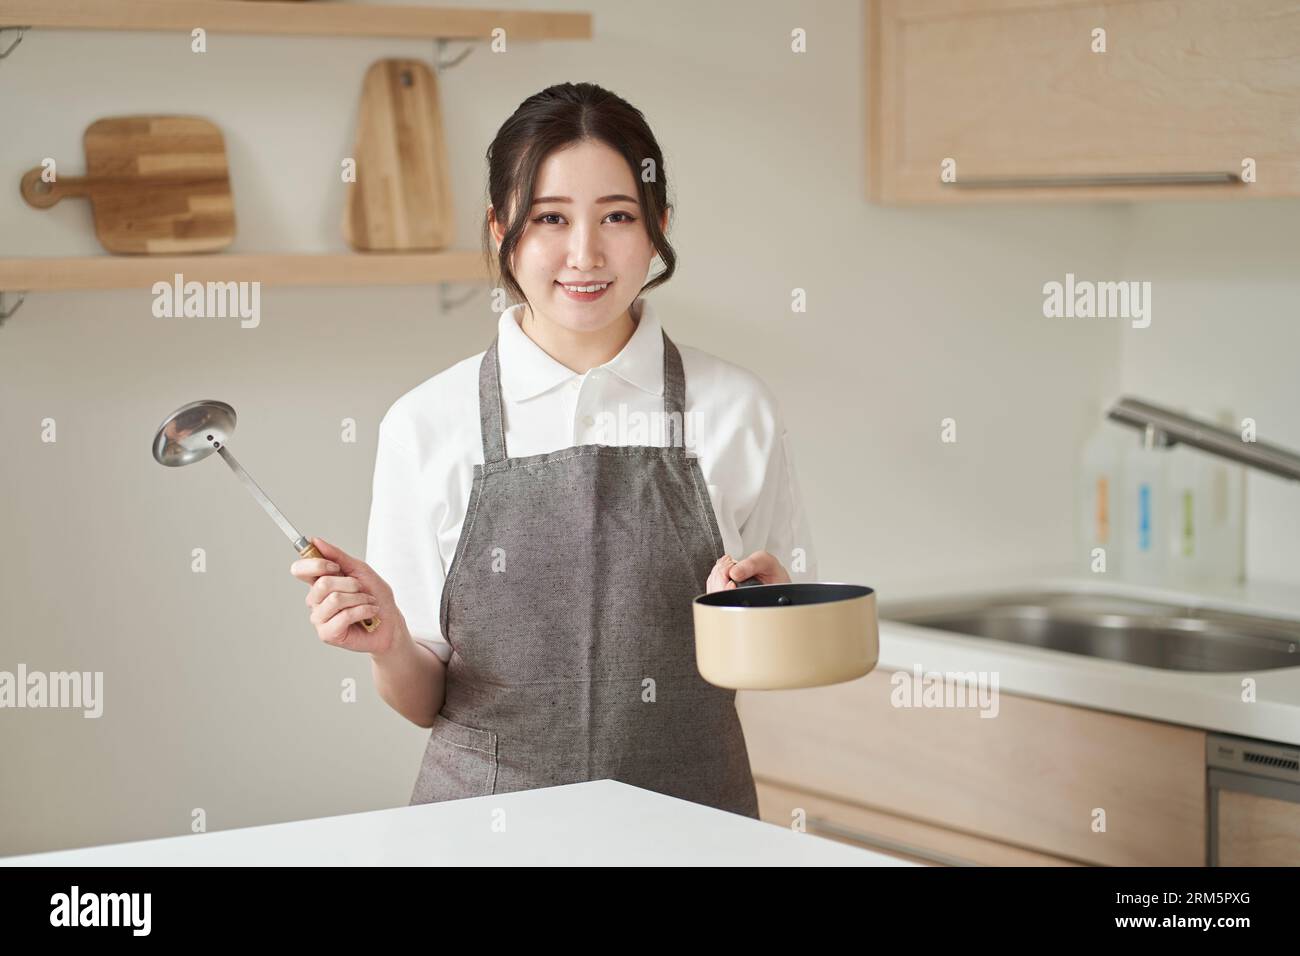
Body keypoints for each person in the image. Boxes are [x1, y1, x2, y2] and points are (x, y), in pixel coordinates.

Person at [290, 82, 816, 818]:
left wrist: (763, 615)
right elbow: (422, 702)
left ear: (660, 224)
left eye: (618, 216)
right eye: (549, 218)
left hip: (696, 830)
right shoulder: (426, 423)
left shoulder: (735, 408)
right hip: (482, 832)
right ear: (500, 225)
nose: (584, 253)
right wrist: (385, 643)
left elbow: (781, 656)